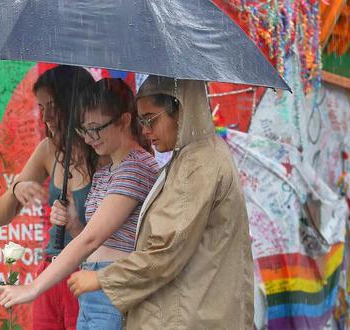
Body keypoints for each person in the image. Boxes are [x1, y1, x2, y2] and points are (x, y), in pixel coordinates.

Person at [67, 76, 255, 329]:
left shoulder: (197, 163)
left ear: (180, 111)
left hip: (191, 314)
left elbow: (165, 251)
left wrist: (103, 278)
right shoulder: (193, 157)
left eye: (151, 119)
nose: (145, 130)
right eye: (141, 120)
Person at [0, 78, 159, 330]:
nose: (89, 139)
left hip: (112, 287)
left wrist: (33, 287)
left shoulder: (135, 167)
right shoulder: (107, 168)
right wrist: (74, 223)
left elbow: (91, 239)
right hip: (90, 285)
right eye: (83, 130)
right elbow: (94, 239)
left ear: (124, 121)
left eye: (96, 129)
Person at [0, 65, 97, 330]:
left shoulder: (101, 152)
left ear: (73, 102)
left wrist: (75, 224)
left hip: (87, 277)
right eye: (41, 107)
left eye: (52, 105)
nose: (45, 117)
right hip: (50, 274)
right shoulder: (48, 150)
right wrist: (16, 190)